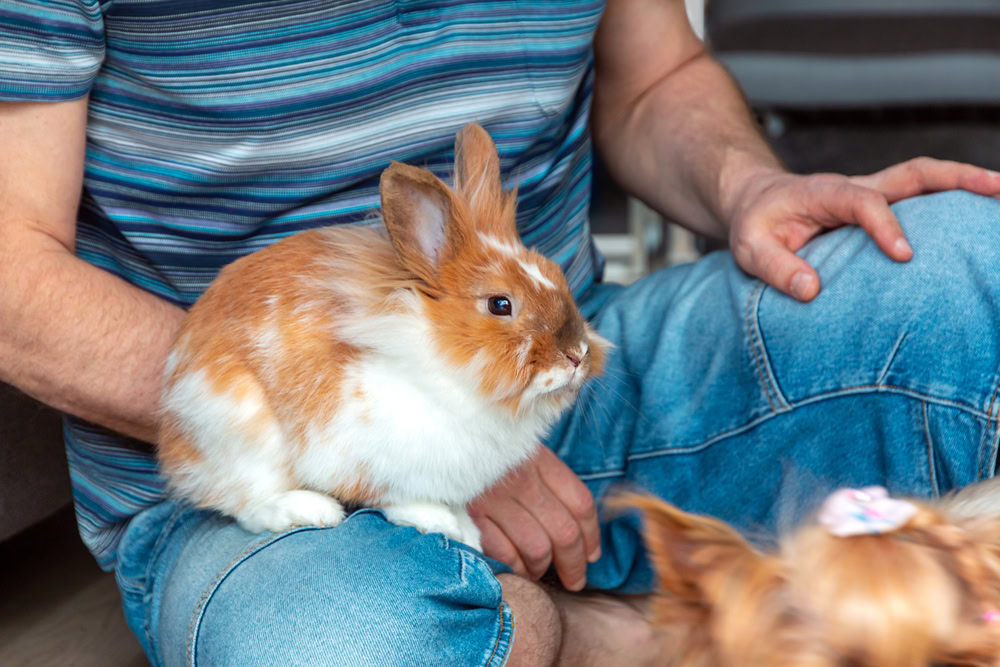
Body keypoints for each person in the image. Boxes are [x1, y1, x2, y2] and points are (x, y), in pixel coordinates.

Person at [2, 1, 998, 664]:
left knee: (970, 264)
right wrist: (415, 443)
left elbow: (652, 79)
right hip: (286, 467)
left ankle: (601, 605)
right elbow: (14, 277)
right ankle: (583, 623)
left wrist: (750, 184)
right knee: (338, 644)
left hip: (570, 367)